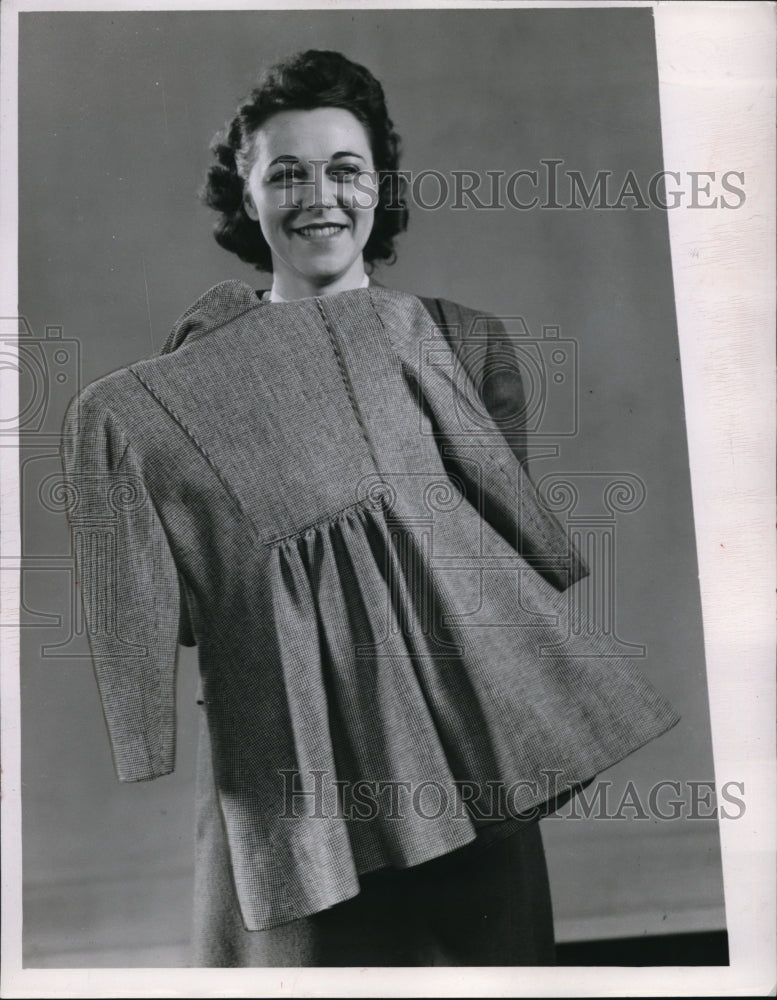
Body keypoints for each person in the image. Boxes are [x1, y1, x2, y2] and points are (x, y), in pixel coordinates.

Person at [60, 49, 681, 967]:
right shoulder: (170, 385)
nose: (321, 196)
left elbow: (500, 565)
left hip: (466, 751)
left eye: (346, 170)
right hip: (293, 770)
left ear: (379, 186)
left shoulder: (464, 342)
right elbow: (187, 608)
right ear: (247, 189)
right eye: (288, 172)